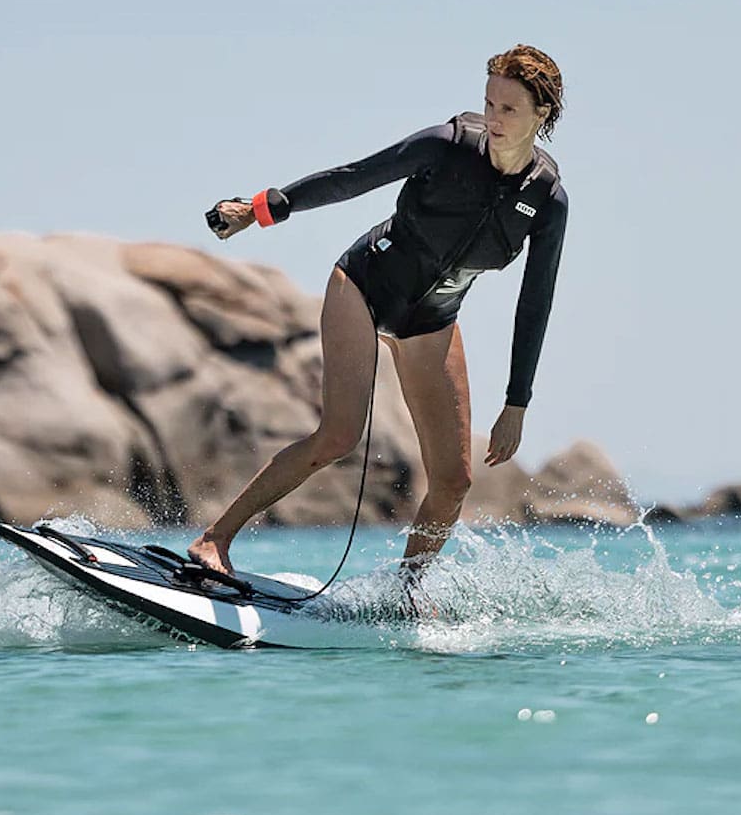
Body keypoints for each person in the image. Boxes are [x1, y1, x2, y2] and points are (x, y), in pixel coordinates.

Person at [189, 44, 568, 583]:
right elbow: (353, 177)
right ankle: (214, 541)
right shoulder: (447, 147)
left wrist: (516, 403)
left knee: (453, 481)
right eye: (489, 104)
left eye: (509, 109)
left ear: (542, 115)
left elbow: (537, 300)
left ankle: (405, 590)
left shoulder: (548, 200)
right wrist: (259, 209)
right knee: (339, 435)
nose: (494, 119)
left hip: (432, 320)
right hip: (364, 287)